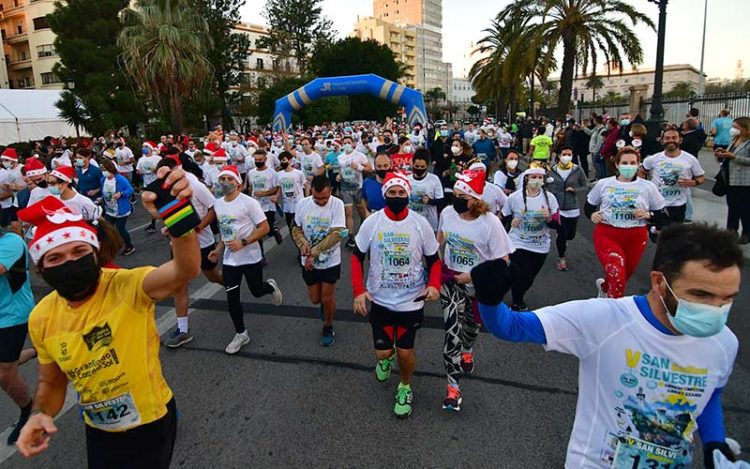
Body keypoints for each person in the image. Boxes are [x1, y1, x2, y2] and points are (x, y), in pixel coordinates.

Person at [473, 223, 743, 469]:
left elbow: (709, 395)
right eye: (701, 294)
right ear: (659, 282)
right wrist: (489, 298)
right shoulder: (602, 319)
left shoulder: (724, 343)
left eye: (727, 298)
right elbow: (512, 327)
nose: (715, 309)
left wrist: (714, 443)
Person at [15, 165, 202, 467]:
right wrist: (40, 415)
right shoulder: (41, 317)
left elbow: (185, 270)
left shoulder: (125, 285)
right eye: (56, 258)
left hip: (151, 421)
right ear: (41, 268)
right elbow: (52, 384)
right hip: (98, 428)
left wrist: (178, 215)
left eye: (79, 251)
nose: (70, 262)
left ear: (95, 253)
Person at [351, 172, 441, 418]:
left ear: (408, 195)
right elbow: (356, 257)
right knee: (383, 352)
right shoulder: (372, 222)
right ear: (385, 195)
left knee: (405, 351)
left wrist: (433, 285)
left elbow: (434, 260)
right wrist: (359, 291)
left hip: (411, 301)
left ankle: (405, 386)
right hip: (380, 299)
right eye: (392, 193)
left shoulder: (420, 224)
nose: (398, 197)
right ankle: (385, 359)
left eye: (402, 193)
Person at [437, 169, 513, 411]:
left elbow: (504, 260)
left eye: (463, 196)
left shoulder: (490, 223)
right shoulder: (448, 213)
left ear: (476, 200)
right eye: (455, 194)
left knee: (470, 329)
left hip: (478, 285)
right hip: (451, 282)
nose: (456, 199)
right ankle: (452, 388)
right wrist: (437, 268)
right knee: (452, 332)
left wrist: (473, 275)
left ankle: (468, 350)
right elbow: (440, 240)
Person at [208, 165, 283, 355]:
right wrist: (217, 250)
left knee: (257, 291)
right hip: (230, 260)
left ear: (239, 184)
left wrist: (244, 242)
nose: (225, 183)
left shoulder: (249, 203)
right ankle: (241, 334)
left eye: (229, 180)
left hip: (250, 256)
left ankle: (270, 287)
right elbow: (225, 232)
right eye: (222, 179)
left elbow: (264, 227)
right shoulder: (218, 204)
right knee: (231, 296)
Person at [586, 147, 666, 299]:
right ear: (617, 164)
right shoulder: (604, 184)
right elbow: (588, 207)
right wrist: (592, 214)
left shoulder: (648, 187)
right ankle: (611, 314)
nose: (628, 166)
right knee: (617, 276)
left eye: (632, 163)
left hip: (635, 236)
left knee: (623, 276)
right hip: (607, 233)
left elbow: (662, 215)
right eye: (624, 163)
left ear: (638, 164)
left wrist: (648, 214)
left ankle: (604, 287)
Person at [160, 157, 223, 348]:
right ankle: (183, 330)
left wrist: (199, 227)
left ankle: (232, 286)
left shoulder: (195, 186)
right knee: (179, 285)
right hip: (179, 244)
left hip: (202, 243)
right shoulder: (165, 188)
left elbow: (214, 208)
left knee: (212, 276)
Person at [291, 175, 346, 346]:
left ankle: (328, 326)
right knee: (315, 299)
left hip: (330, 261)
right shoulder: (303, 204)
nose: (321, 201)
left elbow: (336, 234)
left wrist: (314, 252)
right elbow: (296, 228)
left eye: (324, 198)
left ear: (330, 191)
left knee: (327, 297)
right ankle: (323, 306)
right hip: (308, 262)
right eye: (317, 198)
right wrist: (303, 245)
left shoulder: (337, 204)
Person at [501, 166, 560, 310]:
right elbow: (504, 216)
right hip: (518, 242)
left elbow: (557, 224)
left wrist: (549, 218)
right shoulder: (515, 197)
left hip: (541, 244)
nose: (537, 180)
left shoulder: (550, 199)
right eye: (533, 177)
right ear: (526, 178)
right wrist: (511, 222)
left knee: (529, 278)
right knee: (524, 274)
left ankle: (513, 290)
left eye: (540, 178)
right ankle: (516, 303)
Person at [0, 226, 35, 445]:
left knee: (4, 374)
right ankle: (35, 351)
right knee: (6, 363)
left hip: (11, 316)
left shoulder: (10, 242)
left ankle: (27, 410)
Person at [641, 127, 705, 225]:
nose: (671, 140)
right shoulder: (653, 159)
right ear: (662, 141)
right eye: (667, 138)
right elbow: (642, 171)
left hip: (678, 205)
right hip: (657, 204)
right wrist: (645, 187)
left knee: (674, 235)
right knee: (657, 234)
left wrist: (694, 182)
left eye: (674, 137)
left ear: (680, 140)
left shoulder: (690, 159)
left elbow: (700, 177)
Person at [547, 147, 588, 271]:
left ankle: (564, 241)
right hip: (558, 208)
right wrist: (552, 192)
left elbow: (585, 185)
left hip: (573, 207)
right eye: (564, 154)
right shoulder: (552, 170)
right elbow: (546, 185)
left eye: (569, 154)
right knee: (562, 234)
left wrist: (575, 190)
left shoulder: (577, 169)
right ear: (559, 155)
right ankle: (561, 257)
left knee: (570, 235)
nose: (566, 157)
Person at [715, 116, 750, 244]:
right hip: (730, 178)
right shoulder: (735, 140)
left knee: (744, 207)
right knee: (732, 206)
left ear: (745, 128)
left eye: (736, 127)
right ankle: (731, 230)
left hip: (744, 181)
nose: (733, 129)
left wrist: (733, 156)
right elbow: (729, 157)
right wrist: (722, 154)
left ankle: (746, 232)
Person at [337, 136, 371, 247]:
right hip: (345, 187)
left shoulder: (360, 155)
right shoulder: (340, 157)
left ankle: (364, 230)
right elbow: (341, 170)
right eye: (345, 142)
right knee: (348, 213)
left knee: (361, 211)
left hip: (358, 187)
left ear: (353, 144)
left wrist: (358, 167)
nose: (347, 144)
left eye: (348, 142)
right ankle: (351, 238)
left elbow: (369, 168)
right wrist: (339, 175)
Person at [247, 149, 283, 252]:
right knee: (258, 232)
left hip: (268, 206)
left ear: (265, 159)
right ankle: (261, 256)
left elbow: (276, 188)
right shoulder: (251, 173)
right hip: (256, 206)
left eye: (260, 159)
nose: (258, 161)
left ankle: (274, 231)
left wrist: (264, 193)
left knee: (267, 230)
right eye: (256, 159)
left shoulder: (271, 172)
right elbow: (251, 188)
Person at [100, 160, 136, 256]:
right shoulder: (103, 180)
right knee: (108, 229)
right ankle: (114, 245)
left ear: (110, 169)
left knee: (120, 229)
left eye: (104, 169)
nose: (103, 172)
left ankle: (129, 246)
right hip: (109, 209)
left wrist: (121, 194)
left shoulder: (120, 179)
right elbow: (103, 191)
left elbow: (130, 190)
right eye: (102, 169)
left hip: (121, 209)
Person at [407, 149, 443, 231]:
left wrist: (430, 201)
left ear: (427, 166)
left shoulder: (434, 179)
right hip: (412, 223)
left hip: (429, 224)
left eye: (422, 167)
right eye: (417, 166)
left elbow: (441, 201)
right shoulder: (407, 179)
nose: (419, 169)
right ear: (412, 164)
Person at [277, 151, 306, 232]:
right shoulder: (279, 174)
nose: (282, 162)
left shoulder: (298, 173)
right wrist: (275, 197)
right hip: (287, 206)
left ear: (290, 160)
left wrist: (306, 199)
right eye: (281, 160)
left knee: (300, 226)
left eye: (284, 160)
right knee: (291, 228)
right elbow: (280, 188)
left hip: (299, 204)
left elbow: (306, 185)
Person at [136, 146, 162, 233]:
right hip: (146, 184)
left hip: (157, 182)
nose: (144, 148)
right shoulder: (141, 159)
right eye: (143, 147)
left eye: (146, 147)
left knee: (157, 203)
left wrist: (156, 170)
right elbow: (138, 170)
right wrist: (139, 172)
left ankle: (155, 223)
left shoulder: (157, 158)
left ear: (151, 149)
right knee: (152, 203)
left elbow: (163, 169)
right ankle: (153, 224)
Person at [1, 148, 24, 234]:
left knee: (24, 227)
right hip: (15, 202)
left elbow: (30, 185)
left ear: (13, 160)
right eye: (3, 160)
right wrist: (6, 187)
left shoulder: (22, 168)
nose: (4, 162)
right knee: (15, 228)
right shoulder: (8, 171)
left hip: (24, 201)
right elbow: (9, 189)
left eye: (6, 160)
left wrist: (17, 187)